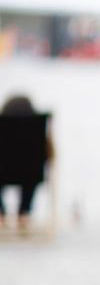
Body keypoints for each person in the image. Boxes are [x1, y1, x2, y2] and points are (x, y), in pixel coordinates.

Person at [0, 94, 54, 232]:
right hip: (30, 172)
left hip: (3, 171)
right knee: (30, 173)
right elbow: (49, 153)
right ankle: (24, 212)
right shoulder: (36, 126)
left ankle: (1, 214)